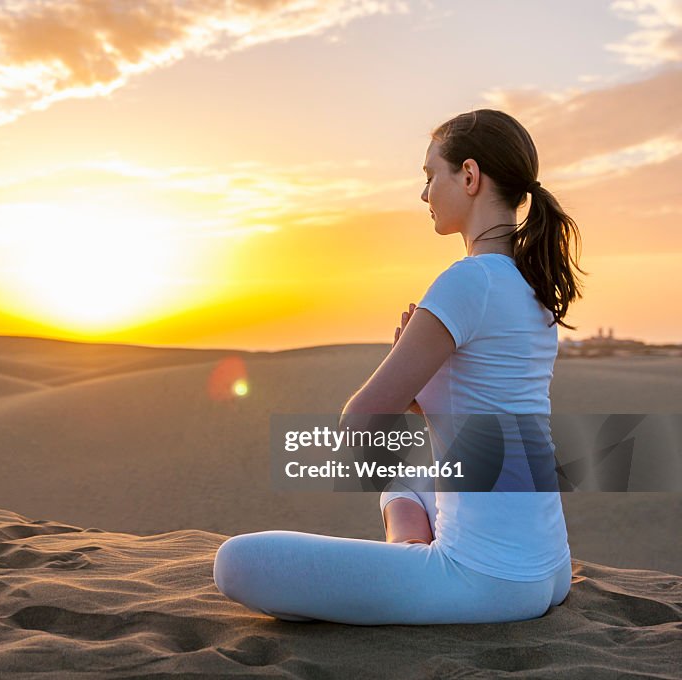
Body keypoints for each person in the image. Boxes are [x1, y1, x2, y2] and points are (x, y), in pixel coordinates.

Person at [213, 109, 584, 625]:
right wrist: (423, 388)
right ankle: (413, 549)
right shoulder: (534, 290)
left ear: (470, 176)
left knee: (235, 564)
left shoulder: (467, 281)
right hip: (549, 570)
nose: (425, 193)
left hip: (486, 581)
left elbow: (359, 424)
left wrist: (400, 374)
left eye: (431, 175)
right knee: (405, 486)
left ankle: (412, 558)